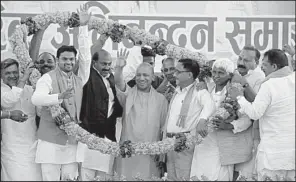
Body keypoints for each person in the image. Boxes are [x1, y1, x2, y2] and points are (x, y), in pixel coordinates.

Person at [31, 5, 92, 181]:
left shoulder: (80, 78)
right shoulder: (47, 78)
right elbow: (36, 99)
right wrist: (58, 97)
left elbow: (86, 57)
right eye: (64, 59)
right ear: (58, 60)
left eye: (71, 59)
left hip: (71, 142)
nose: (69, 62)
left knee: (70, 178)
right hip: (50, 142)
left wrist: (83, 27)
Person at [228, 49, 295, 181]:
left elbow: (255, 113)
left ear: (274, 66)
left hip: (273, 154)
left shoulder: (269, 85)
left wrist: (239, 97)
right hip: (291, 153)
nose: (261, 67)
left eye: (264, 64)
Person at [190, 58, 254, 181]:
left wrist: (229, 126)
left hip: (223, 147)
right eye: (214, 72)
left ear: (230, 75)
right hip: (203, 143)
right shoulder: (207, 88)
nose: (216, 76)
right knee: (198, 176)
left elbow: (247, 119)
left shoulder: (235, 92)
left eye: (221, 73)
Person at [114, 49, 168, 180]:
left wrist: (161, 152)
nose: (141, 78)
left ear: (153, 77)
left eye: (145, 75)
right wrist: (119, 68)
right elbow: (119, 84)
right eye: (138, 75)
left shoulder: (161, 100)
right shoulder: (129, 94)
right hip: (128, 152)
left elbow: (164, 129)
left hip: (150, 153)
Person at [78, 35, 123, 181]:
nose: (107, 67)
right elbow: (86, 55)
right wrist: (101, 39)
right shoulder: (87, 76)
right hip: (90, 137)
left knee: (104, 177)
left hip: (108, 138)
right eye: (104, 64)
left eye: (110, 64)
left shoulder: (111, 78)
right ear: (94, 63)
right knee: (87, 176)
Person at [163, 58, 215, 180]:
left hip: (184, 144)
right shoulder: (177, 91)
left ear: (189, 75)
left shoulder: (198, 90)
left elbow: (210, 104)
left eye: (178, 71)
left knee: (184, 178)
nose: (174, 74)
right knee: (171, 178)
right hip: (169, 143)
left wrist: (202, 120)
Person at [1, 59, 42, 181]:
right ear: (1, 74)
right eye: (7, 73)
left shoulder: (29, 89)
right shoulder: (2, 90)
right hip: (11, 150)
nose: (12, 76)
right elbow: (9, 100)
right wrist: (24, 78)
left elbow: (40, 111)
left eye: (15, 72)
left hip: (32, 148)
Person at [233, 45, 265, 180]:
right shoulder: (234, 73)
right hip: (232, 134)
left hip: (249, 134)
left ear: (256, 63)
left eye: (246, 60)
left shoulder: (260, 78)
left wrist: (244, 84)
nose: (241, 62)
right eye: (240, 58)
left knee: (245, 174)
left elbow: (257, 107)